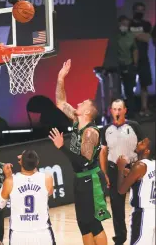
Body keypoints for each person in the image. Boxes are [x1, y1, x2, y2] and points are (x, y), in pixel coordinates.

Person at [48, 59, 111, 245]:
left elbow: (82, 162)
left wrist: (61, 147)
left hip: (90, 180)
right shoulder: (77, 122)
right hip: (80, 178)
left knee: (93, 223)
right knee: (83, 224)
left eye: (83, 103)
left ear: (87, 113)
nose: (79, 102)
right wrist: (61, 77)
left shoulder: (90, 133)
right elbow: (60, 102)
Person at [99, 99, 144, 245]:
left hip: (134, 168)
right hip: (114, 170)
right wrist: (104, 173)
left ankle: (139, 233)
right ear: (111, 111)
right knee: (117, 207)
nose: (117, 112)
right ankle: (120, 238)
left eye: (120, 109)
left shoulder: (134, 126)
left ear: (125, 110)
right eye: (114, 109)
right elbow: (103, 152)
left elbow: (143, 146)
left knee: (139, 203)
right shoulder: (106, 129)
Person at [0, 149, 56, 245]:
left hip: (18, 235)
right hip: (43, 233)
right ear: (37, 162)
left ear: (20, 162)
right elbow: (49, 193)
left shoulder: (10, 181)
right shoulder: (47, 178)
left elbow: (0, 204)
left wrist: (8, 176)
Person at [117, 138, 155, 245]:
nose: (139, 143)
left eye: (142, 143)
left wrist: (120, 168)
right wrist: (130, 173)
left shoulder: (139, 166)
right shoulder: (152, 165)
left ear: (147, 151)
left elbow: (121, 190)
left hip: (143, 214)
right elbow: (143, 179)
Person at [130, 2, 152, 117]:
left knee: (145, 84)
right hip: (130, 59)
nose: (140, 12)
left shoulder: (147, 24)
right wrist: (140, 34)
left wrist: (134, 34)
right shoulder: (128, 23)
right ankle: (131, 110)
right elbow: (127, 37)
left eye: (142, 10)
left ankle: (144, 108)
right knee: (130, 86)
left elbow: (147, 38)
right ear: (133, 11)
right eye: (138, 10)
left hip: (143, 58)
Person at [117, 15, 138, 118]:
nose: (124, 26)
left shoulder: (130, 36)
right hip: (117, 66)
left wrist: (135, 63)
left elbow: (134, 49)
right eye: (123, 24)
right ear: (119, 24)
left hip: (129, 65)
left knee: (129, 91)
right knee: (117, 91)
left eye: (126, 24)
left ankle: (131, 114)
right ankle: (118, 114)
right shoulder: (115, 36)